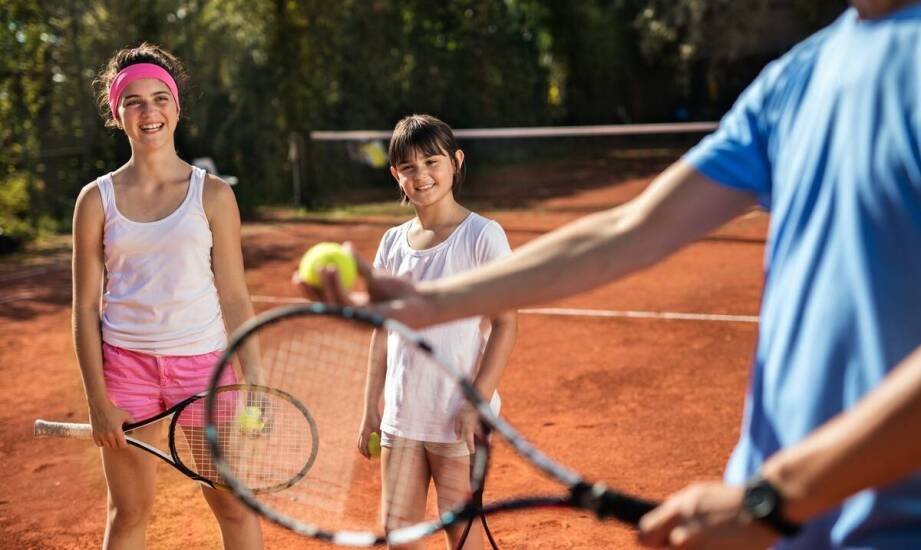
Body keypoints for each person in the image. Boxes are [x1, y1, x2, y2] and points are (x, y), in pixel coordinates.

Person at [305, 2, 921, 548]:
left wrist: (774, 496)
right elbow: (631, 229)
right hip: (779, 522)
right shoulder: (799, 78)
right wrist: (429, 300)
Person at [73, 43, 263, 549]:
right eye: (133, 100)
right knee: (129, 512)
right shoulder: (95, 200)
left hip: (206, 369)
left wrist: (257, 381)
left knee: (231, 502)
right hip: (125, 370)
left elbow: (237, 298)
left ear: (177, 107)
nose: (149, 110)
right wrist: (97, 399)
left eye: (160, 97)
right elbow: (85, 308)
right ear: (117, 113)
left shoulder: (215, 195)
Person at [358, 114, 517, 549]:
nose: (422, 175)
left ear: (456, 162)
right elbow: (382, 330)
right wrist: (371, 406)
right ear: (396, 175)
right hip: (402, 418)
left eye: (432, 162)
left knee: (463, 534)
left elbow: (505, 323)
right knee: (399, 535)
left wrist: (476, 401)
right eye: (408, 167)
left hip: (456, 420)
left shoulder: (482, 235)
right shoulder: (391, 242)